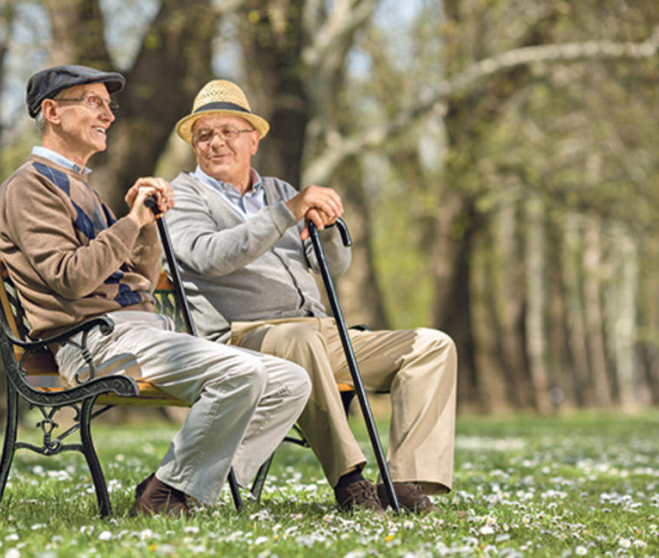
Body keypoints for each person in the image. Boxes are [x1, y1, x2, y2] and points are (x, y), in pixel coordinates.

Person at [0, 66, 311, 518]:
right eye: (93, 102)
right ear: (51, 112)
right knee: (242, 373)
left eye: (109, 105)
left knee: (291, 381)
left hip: (137, 334)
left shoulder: (82, 188)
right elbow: (70, 278)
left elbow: (136, 279)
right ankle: (167, 497)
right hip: (94, 343)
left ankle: (176, 488)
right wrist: (131, 223)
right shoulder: (30, 187)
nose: (107, 114)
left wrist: (147, 227)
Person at [165, 79, 458, 514]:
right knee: (299, 344)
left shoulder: (280, 190)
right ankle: (351, 483)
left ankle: (405, 485)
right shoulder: (185, 194)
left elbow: (332, 267)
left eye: (227, 131)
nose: (214, 143)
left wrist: (328, 227)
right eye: (203, 135)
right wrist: (287, 212)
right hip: (243, 339)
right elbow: (209, 257)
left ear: (253, 139)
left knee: (433, 346)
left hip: (321, 332)